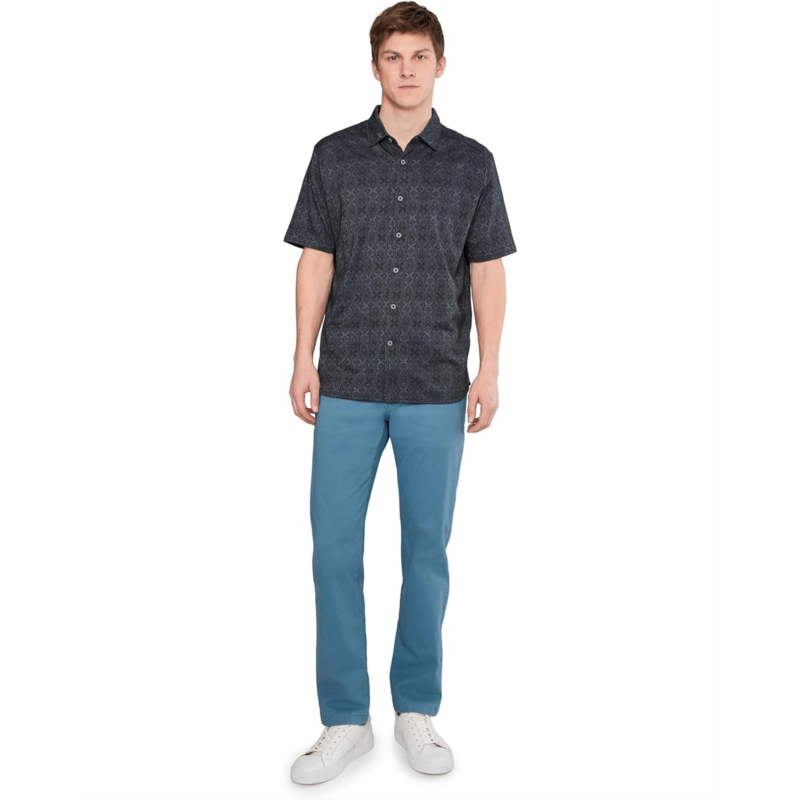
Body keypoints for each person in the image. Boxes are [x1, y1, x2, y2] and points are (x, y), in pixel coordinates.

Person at [284, 1, 517, 784]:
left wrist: (488, 369)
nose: (407, 69)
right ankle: (346, 719)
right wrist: (301, 356)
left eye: (420, 56)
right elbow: (316, 258)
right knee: (333, 553)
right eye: (394, 56)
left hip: (434, 386)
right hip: (347, 381)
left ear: (440, 65)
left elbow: (487, 269)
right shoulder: (334, 156)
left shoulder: (473, 163)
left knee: (426, 554)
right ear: (375, 66)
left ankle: (416, 708)